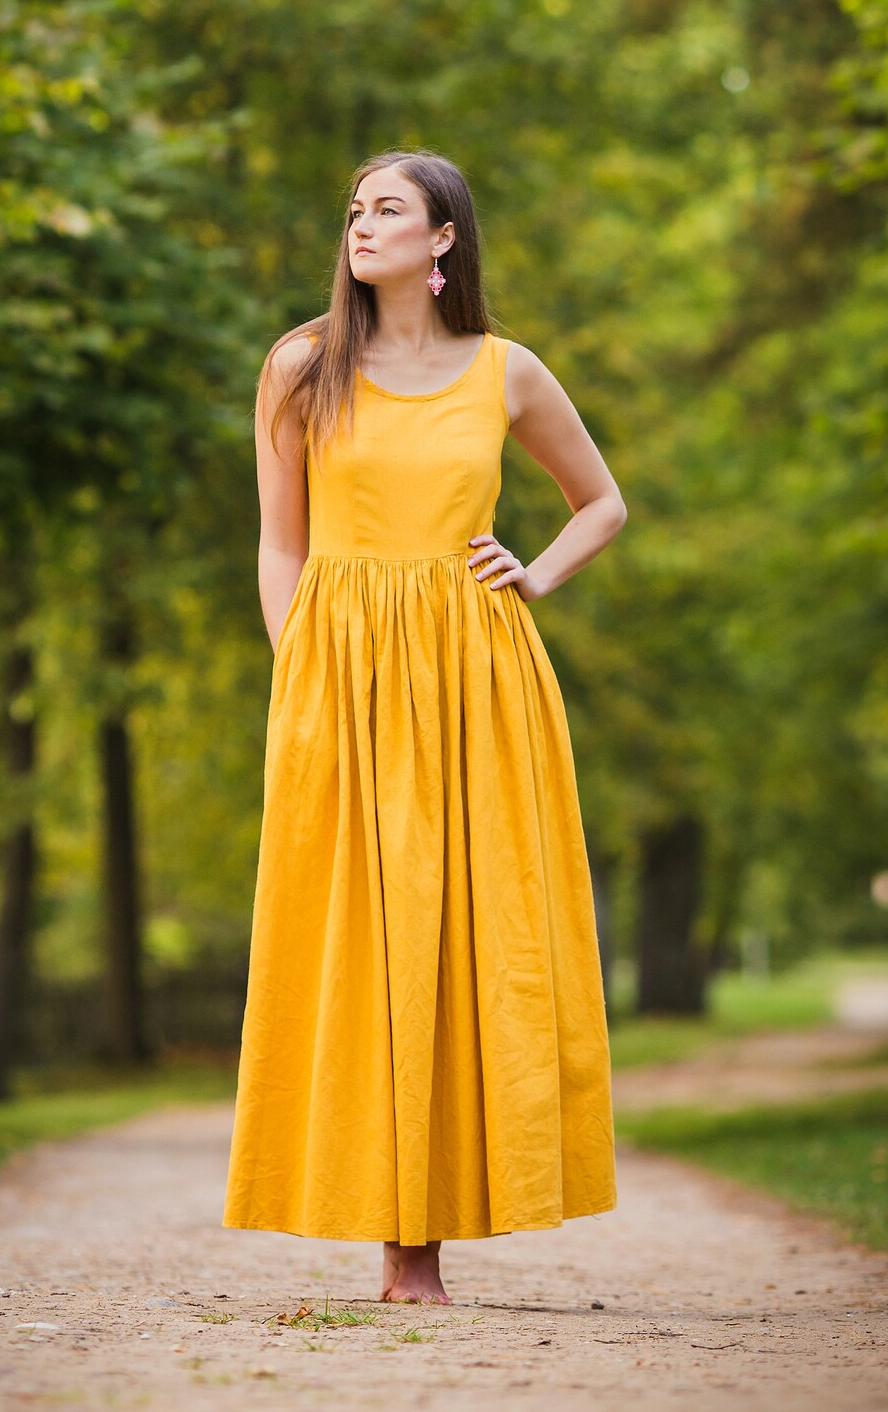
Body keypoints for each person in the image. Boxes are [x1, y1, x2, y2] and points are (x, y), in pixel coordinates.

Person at [223, 149, 626, 1305]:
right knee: (359, 940)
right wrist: (295, 660)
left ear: (443, 238)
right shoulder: (300, 366)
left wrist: (534, 575)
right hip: (336, 677)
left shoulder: (506, 371)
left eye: (387, 208)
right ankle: (385, 1229)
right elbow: (280, 541)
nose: (361, 224)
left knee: (454, 940)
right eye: (352, 207)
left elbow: (602, 503)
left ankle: (424, 1249)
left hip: (473, 683)